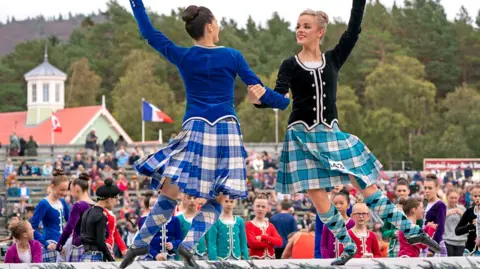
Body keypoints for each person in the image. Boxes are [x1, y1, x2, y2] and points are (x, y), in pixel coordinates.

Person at [249, 0, 440, 264]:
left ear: (320, 31)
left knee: (366, 185)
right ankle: (348, 245)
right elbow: (280, 98)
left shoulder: (333, 59)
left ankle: (411, 231)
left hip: (331, 134)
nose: (300, 30)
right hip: (301, 137)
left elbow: (353, 32)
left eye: (306, 26)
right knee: (318, 197)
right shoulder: (289, 65)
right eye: (298, 26)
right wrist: (259, 100)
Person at [120, 0, 289, 268]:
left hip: (196, 126)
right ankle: (189, 243)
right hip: (226, 129)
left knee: (171, 191)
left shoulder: (185, 56)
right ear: (210, 27)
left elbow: (149, 35)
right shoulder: (233, 56)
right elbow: (261, 91)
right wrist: (284, 101)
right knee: (220, 197)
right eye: (217, 23)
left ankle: (140, 241)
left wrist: (136, 3)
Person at [29, 169, 70, 263]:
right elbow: (32, 227)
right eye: (61, 190)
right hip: (51, 246)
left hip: (63, 245)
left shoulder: (63, 202)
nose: (64, 193)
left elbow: (70, 222)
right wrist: (45, 243)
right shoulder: (44, 203)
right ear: (53, 186)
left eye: (66, 190)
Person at [56, 173, 94, 262]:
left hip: (80, 246)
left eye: (70, 189)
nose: (70, 192)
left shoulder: (78, 205)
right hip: (94, 249)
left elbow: (69, 228)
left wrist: (60, 244)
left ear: (76, 188)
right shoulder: (95, 205)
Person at [80, 179, 120, 262]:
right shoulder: (100, 216)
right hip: (96, 257)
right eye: (116, 199)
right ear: (109, 199)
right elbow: (101, 242)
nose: (117, 202)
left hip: (85, 256)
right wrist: (111, 259)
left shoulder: (87, 211)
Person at [139, 195, 183, 261]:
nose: (153, 208)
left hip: (169, 256)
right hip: (150, 256)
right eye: (150, 205)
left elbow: (179, 239)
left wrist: (173, 244)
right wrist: (155, 254)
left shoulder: (174, 220)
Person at [245, 194, 283, 259]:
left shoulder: (270, 225)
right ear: (253, 207)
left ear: (267, 209)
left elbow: (279, 242)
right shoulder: (249, 224)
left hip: (271, 261)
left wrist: (263, 237)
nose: (260, 209)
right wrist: (271, 244)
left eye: (263, 207)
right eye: (258, 206)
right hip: (256, 261)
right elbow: (252, 244)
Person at [321, 190, 355, 259]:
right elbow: (323, 246)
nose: (338, 206)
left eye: (341, 203)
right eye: (335, 203)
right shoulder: (327, 223)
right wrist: (327, 259)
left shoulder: (352, 223)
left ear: (348, 205)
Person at [423, 174, 447, 257]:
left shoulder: (440, 205)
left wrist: (432, 249)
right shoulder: (424, 203)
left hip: (435, 245)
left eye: (430, 188)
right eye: (425, 188)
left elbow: (440, 228)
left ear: (437, 188)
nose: (427, 190)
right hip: (424, 243)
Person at [455, 184, 480, 256]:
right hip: (470, 249)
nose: (478, 198)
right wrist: (470, 226)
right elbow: (457, 231)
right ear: (471, 197)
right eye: (475, 196)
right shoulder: (469, 211)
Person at [444, 188, 467, 256]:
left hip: (461, 242)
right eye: (451, 198)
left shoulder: (462, 208)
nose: (454, 200)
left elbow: (469, 224)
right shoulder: (443, 208)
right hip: (447, 241)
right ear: (447, 197)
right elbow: (437, 222)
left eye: (455, 198)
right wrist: (446, 214)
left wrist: (463, 215)